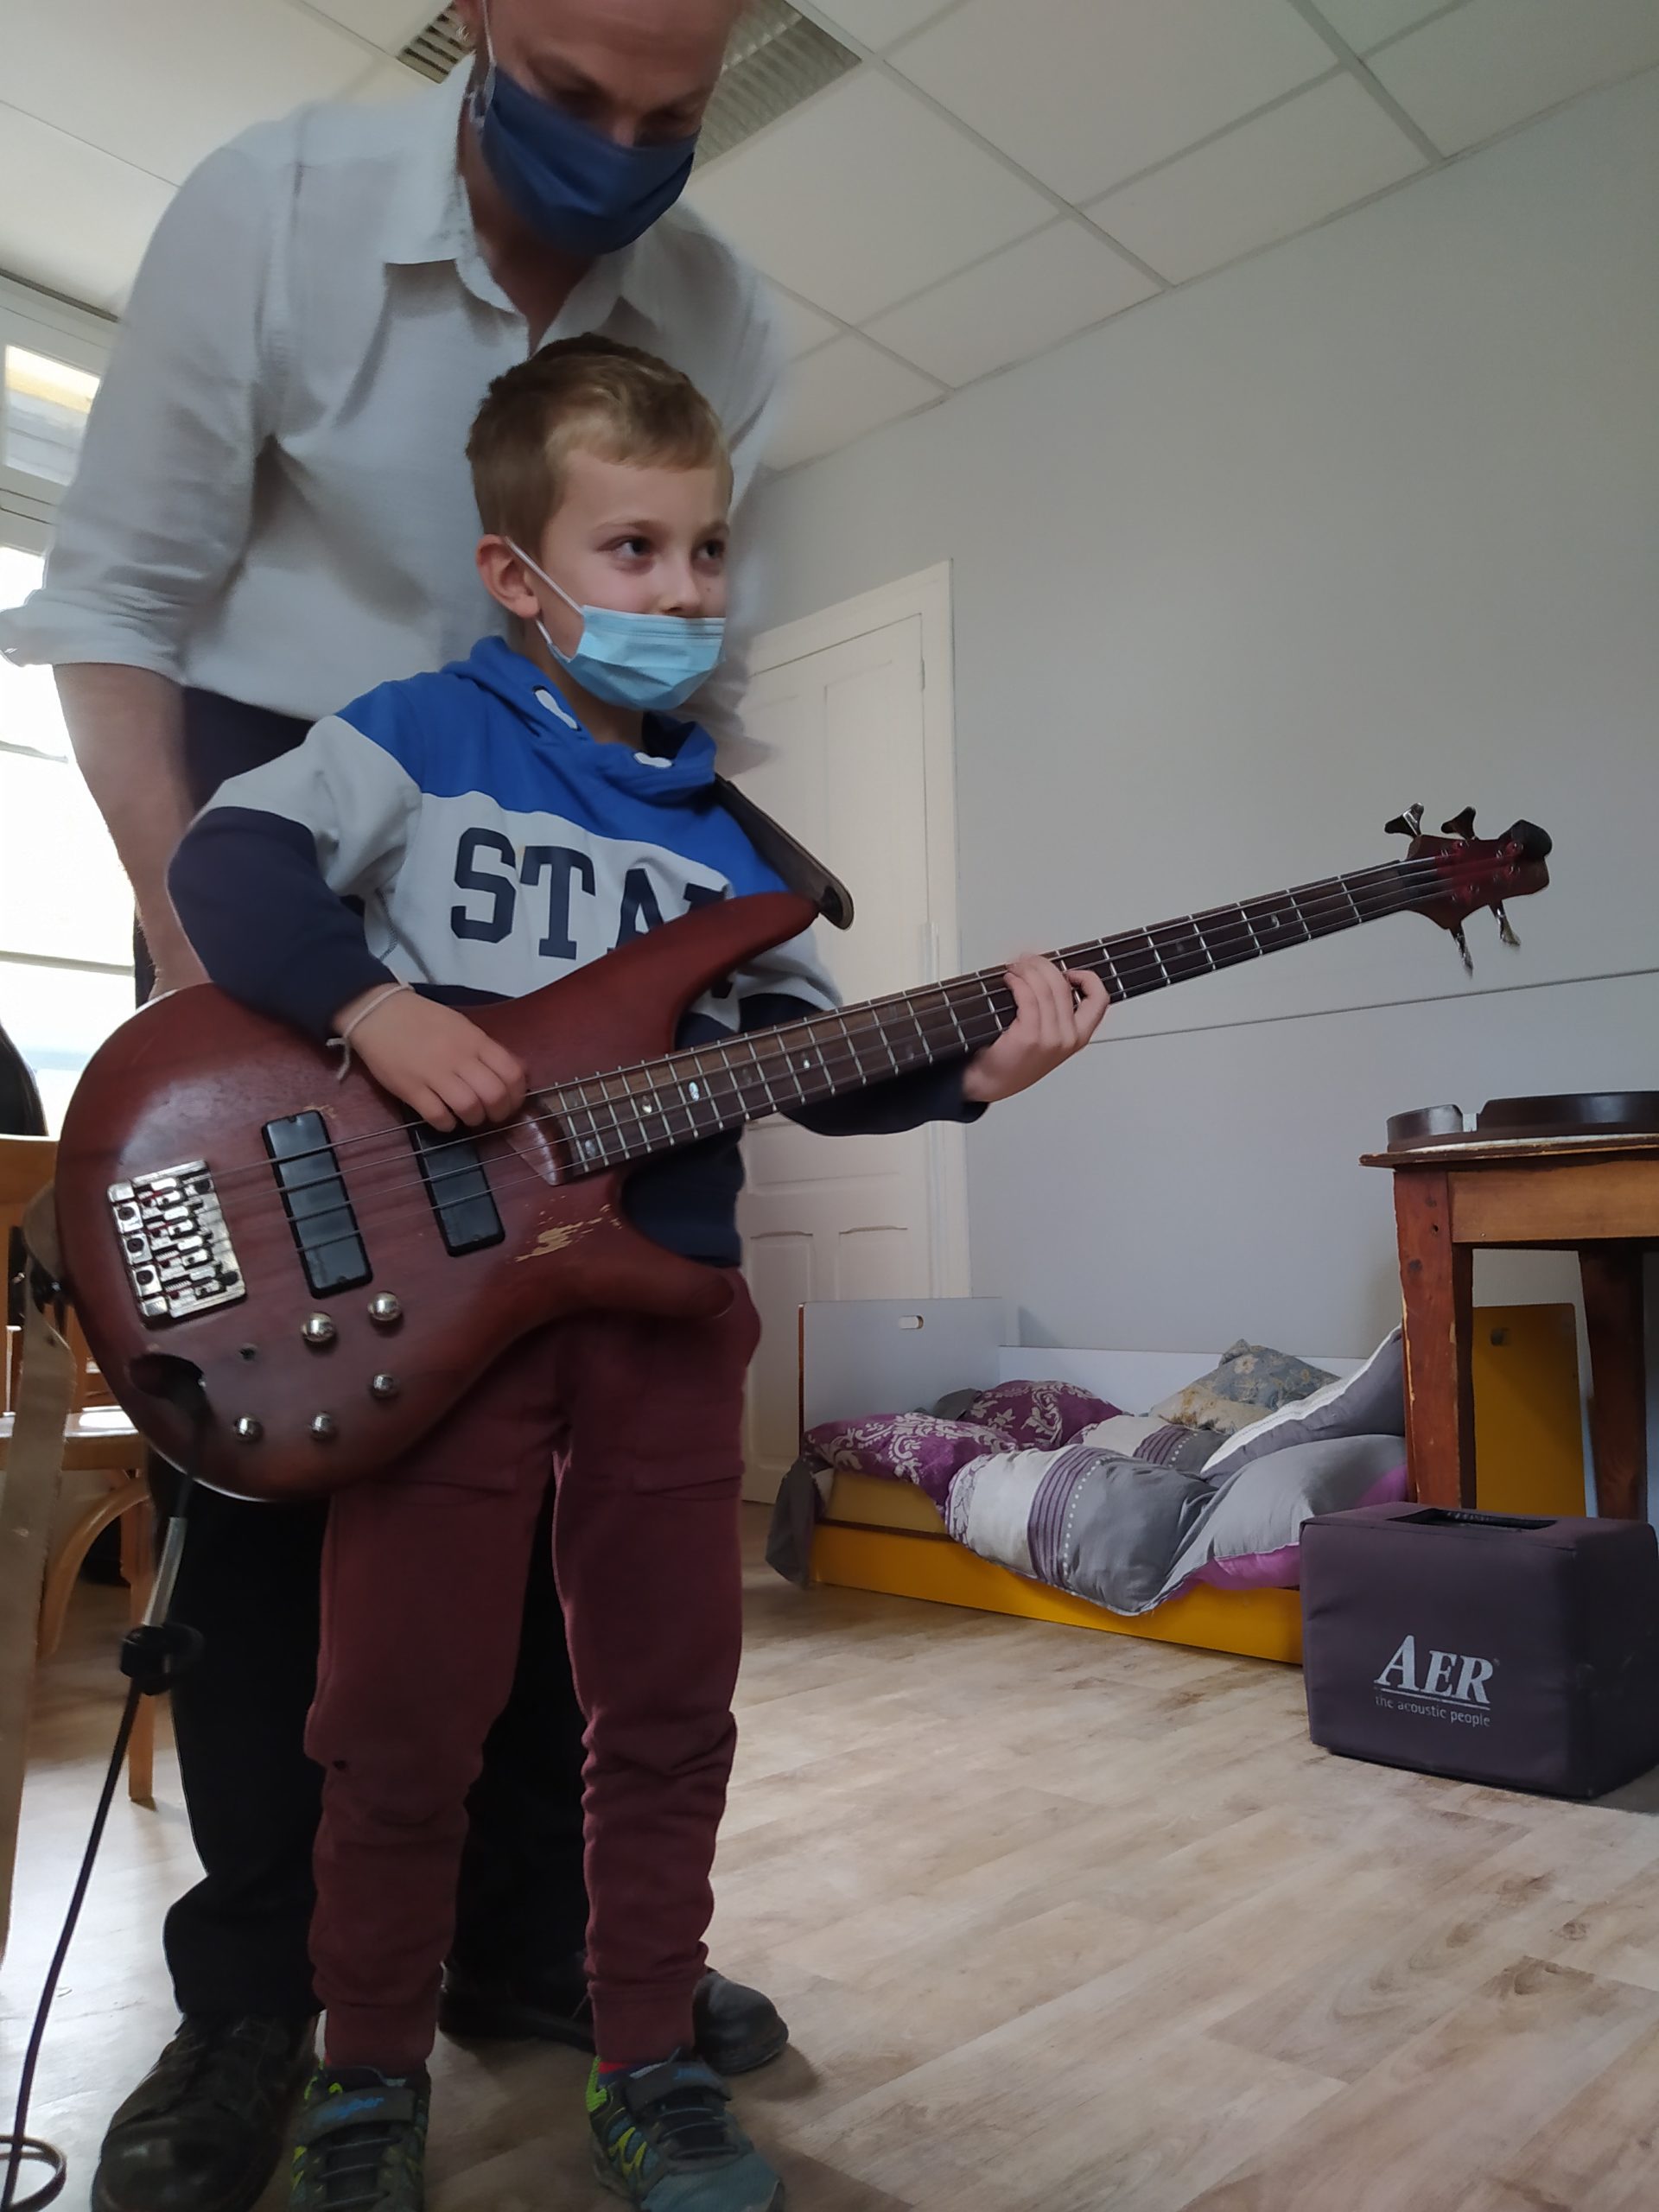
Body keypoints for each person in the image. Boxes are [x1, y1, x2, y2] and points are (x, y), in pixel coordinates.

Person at [164, 334, 1109, 2211]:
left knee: (670, 1710)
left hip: (669, 1322)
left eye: (707, 550)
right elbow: (232, 865)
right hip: (449, 1325)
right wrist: (375, 1007)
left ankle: (648, 2052)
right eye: (634, 550)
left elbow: (816, 1063)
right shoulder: (418, 733)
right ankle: (368, 2071)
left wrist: (973, 1070)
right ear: (517, 573)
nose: (683, 592)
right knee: (398, 1721)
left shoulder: (739, 841)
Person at [0, 7, 790, 2209]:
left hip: (556, 863)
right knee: (285, 1480)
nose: (621, 150)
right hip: (273, 842)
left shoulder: (724, 316)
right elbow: (120, 606)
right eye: (576, 93)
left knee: (542, 1430)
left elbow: (705, 669)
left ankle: (525, 1937)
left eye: (674, 113)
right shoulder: (273, 209)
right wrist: (218, 967)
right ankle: (263, 1993)